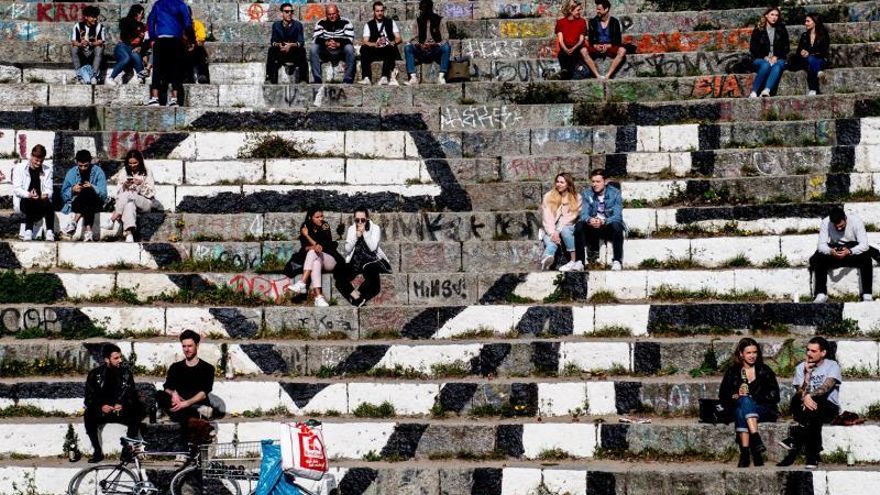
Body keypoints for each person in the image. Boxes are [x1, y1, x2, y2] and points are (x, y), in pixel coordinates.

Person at [777, 337, 842, 469]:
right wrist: (807, 376)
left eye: (813, 351)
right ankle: (812, 456)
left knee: (816, 403)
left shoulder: (832, 365)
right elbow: (799, 393)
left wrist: (808, 396)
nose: (809, 354)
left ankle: (794, 441)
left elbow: (826, 388)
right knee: (802, 405)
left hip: (828, 407)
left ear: (823, 353)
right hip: (807, 409)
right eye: (808, 350)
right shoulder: (801, 367)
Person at [719, 338, 779, 468]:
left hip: (763, 408)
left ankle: (745, 454)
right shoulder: (732, 372)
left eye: (755, 352)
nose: (752, 356)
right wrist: (737, 395)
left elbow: (775, 395)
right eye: (749, 353)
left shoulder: (764, 370)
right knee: (742, 408)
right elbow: (723, 396)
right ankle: (755, 446)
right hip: (740, 408)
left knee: (746, 403)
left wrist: (752, 397)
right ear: (741, 354)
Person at [84, 344, 145, 463]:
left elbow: (133, 397)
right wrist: (101, 407)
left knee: (137, 410)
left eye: (120, 357)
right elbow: (88, 399)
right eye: (116, 358)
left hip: (120, 411)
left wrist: (122, 404)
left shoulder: (126, 374)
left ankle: (127, 451)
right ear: (107, 359)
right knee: (88, 414)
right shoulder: (94, 374)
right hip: (102, 411)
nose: (120, 360)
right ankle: (97, 451)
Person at [809, 207, 876, 303]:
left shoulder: (856, 221)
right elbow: (821, 245)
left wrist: (849, 251)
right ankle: (821, 293)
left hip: (852, 250)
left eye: (841, 225)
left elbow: (864, 245)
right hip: (835, 250)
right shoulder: (826, 222)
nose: (838, 228)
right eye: (836, 226)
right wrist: (830, 251)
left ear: (845, 218)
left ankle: (867, 294)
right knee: (817, 258)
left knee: (866, 257)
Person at [155, 330, 215, 433]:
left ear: (197, 345)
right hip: (178, 403)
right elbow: (167, 387)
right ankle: (193, 421)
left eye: (190, 346)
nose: (186, 349)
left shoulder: (207, 368)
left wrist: (186, 404)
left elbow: (203, 393)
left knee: (185, 410)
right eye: (184, 346)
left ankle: (182, 416)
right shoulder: (175, 367)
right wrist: (173, 394)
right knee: (159, 394)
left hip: (195, 404)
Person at [335, 208, 392, 306]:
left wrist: (364, 233)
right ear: (354, 219)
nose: (360, 222)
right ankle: (357, 297)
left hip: (371, 260)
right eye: (357, 220)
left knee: (373, 278)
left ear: (367, 218)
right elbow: (347, 249)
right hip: (356, 261)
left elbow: (373, 248)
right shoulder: (352, 229)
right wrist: (356, 237)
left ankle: (359, 295)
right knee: (338, 274)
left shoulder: (375, 228)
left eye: (363, 220)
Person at [287, 207, 343, 307]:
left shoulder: (325, 226)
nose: (320, 219)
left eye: (321, 216)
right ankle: (318, 297)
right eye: (317, 217)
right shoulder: (305, 226)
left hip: (329, 259)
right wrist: (311, 246)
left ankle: (302, 283)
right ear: (310, 217)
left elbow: (320, 248)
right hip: (317, 260)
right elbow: (305, 248)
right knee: (315, 262)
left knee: (313, 252)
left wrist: (307, 236)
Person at [574, 169, 625, 270]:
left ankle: (617, 261)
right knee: (579, 225)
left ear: (605, 182)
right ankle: (579, 261)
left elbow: (617, 216)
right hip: (592, 227)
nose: (595, 184)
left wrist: (603, 221)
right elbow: (583, 214)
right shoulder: (587, 193)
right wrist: (590, 220)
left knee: (617, 225)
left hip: (607, 226)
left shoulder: (615, 193)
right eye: (593, 181)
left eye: (598, 181)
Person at [146, 0, 194, 107]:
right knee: (175, 69)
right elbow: (187, 23)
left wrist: (152, 37)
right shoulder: (181, 4)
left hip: (160, 38)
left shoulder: (158, 4)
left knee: (157, 69)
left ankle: (154, 97)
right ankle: (174, 98)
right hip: (175, 40)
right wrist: (191, 40)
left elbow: (150, 20)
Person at [103, 150, 155, 243]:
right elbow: (118, 195)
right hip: (128, 201)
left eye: (135, 163)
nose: (132, 165)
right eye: (130, 163)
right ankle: (129, 234)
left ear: (140, 161)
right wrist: (124, 186)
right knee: (129, 203)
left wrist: (141, 184)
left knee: (130, 195)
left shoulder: (147, 171)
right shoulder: (124, 172)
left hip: (145, 203)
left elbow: (151, 193)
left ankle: (113, 218)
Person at [61, 150, 107, 242]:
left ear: (90, 162)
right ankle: (88, 231)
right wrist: (72, 190)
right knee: (86, 192)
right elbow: (63, 195)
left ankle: (74, 222)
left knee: (88, 191)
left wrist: (93, 187)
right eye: (80, 165)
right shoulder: (71, 173)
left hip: (95, 202)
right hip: (76, 202)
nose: (83, 168)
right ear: (76, 163)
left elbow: (103, 194)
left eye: (86, 165)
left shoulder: (98, 172)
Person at [540, 172, 582, 272]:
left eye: (562, 182)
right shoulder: (549, 196)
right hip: (549, 228)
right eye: (557, 182)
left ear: (568, 184)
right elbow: (547, 217)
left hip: (568, 227)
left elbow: (570, 217)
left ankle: (549, 257)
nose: (558, 184)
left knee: (563, 232)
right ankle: (547, 257)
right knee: (552, 241)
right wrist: (552, 232)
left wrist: (557, 231)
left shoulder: (577, 198)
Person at [13, 144, 55, 241]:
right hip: (24, 201)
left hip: (41, 200)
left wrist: (46, 194)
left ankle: (50, 232)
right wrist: (28, 194)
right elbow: (17, 189)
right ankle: (28, 231)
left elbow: (49, 189)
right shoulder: (19, 168)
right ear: (31, 156)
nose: (39, 163)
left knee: (49, 203)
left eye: (41, 161)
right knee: (30, 201)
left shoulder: (47, 170)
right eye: (36, 160)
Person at [404, 0, 450, 86]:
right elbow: (413, 38)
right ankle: (413, 77)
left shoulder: (440, 20)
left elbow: (446, 37)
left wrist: (436, 44)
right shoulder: (417, 21)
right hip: (421, 49)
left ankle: (441, 76)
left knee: (446, 47)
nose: (424, 11)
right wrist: (420, 45)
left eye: (426, 9)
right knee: (408, 47)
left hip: (435, 49)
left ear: (431, 9)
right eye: (423, 10)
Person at [748, 6, 789, 98]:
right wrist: (764, 57)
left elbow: (786, 47)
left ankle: (766, 90)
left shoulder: (781, 29)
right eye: (772, 15)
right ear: (766, 15)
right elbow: (753, 48)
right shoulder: (758, 29)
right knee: (765, 65)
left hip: (778, 58)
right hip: (760, 58)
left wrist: (776, 56)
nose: (774, 17)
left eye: (777, 15)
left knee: (778, 65)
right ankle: (754, 91)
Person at [310, 4, 356, 84]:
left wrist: (338, 44)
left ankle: (348, 79)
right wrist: (326, 43)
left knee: (350, 48)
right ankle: (317, 78)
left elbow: (349, 39)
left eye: (334, 14)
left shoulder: (346, 22)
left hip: (340, 51)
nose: (332, 16)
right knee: (313, 48)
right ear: (326, 14)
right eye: (329, 14)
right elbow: (316, 39)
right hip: (326, 51)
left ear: (338, 13)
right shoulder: (320, 23)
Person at [359, 1, 402, 86]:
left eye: (381, 11)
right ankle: (366, 77)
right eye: (377, 11)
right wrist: (375, 44)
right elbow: (365, 41)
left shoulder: (390, 22)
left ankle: (384, 77)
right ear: (374, 12)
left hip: (388, 50)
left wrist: (391, 42)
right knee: (363, 48)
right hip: (375, 50)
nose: (380, 13)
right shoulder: (369, 24)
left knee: (390, 47)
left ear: (384, 11)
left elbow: (399, 38)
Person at [266, 2, 308, 84]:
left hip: (293, 53)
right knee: (271, 50)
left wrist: (290, 45)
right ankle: (269, 78)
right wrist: (279, 45)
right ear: (282, 13)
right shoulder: (276, 25)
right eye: (287, 12)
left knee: (302, 50)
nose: (289, 14)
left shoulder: (298, 25)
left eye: (291, 12)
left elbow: (301, 42)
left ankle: (303, 79)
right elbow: (273, 41)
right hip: (281, 52)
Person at [107, 5, 150, 86]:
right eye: (141, 14)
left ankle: (140, 77)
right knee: (126, 58)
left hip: (134, 49)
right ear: (136, 14)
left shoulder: (142, 26)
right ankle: (111, 77)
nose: (143, 16)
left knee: (136, 55)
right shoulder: (125, 21)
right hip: (122, 46)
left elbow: (147, 40)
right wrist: (137, 34)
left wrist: (141, 47)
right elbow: (125, 35)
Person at [582, 0, 625, 80]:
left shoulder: (614, 22)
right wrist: (596, 46)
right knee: (583, 51)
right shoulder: (593, 22)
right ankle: (597, 75)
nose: (597, 11)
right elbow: (591, 39)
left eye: (599, 9)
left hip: (610, 46)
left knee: (622, 51)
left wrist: (608, 46)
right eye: (597, 9)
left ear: (606, 9)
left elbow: (617, 40)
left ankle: (608, 75)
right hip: (597, 46)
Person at [70, 5, 105, 85]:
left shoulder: (99, 26)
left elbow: (101, 41)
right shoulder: (78, 26)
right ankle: (79, 76)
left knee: (100, 47)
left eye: (96, 17)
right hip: (82, 51)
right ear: (86, 17)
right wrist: (80, 44)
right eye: (92, 17)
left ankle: (94, 76)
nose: (95, 19)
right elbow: (73, 41)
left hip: (93, 52)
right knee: (74, 48)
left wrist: (90, 43)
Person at [796, 14, 829, 96]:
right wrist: (802, 51)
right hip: (806, 60)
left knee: (811, 62)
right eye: (805, 21)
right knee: (810, 60)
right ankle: (819, 72)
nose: (805, 23)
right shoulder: (804, 35)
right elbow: (798, 50)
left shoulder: (823, 35)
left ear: (815, 22)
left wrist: (809, 52)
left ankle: (813, 89)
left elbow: (823, 50)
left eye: (808, 21)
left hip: (820, 59)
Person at [554, 0, 587, 80]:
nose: (580, 12)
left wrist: (573, 48)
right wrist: (566, 49)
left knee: (574, 55)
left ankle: (566, 73)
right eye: (578, 10)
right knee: (562, 54)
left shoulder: (582, 22)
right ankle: (565, 71)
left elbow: (581, 40)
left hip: (576, 48)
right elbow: (561, 40)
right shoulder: (560, 22)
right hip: (565, 49)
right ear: (570, 11)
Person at [183, 7, 210, 84]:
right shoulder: (177, 26)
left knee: (201, 50)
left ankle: (202, 75)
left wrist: (194, 45)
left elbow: (201, 39)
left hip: (195, 49)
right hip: (183, 49)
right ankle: (186, 76)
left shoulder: (197, 24)